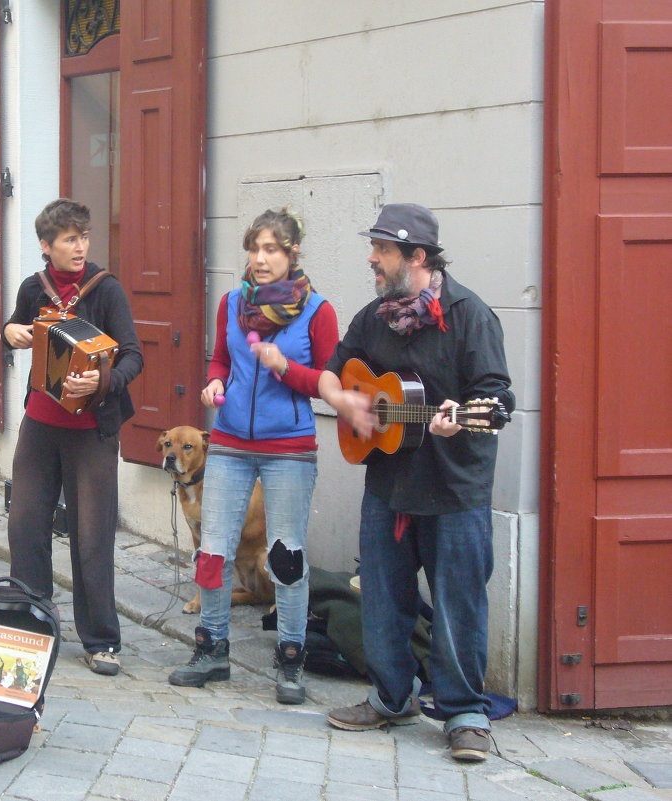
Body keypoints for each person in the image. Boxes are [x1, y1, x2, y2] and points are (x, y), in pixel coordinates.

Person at [318, 203, 514, 761]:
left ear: (417, 257)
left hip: (454, 491)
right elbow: (334, 369)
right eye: (375, 247)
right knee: (382, 597)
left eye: (382, 249)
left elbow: (497, 398)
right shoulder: (374, 316)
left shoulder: (470, 316)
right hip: (387, 486)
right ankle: (390, 696)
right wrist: (344, 401)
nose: (372, 259)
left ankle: (465, 713)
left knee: (458, 604)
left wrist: (459, 419)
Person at [168, 208, 339, 704]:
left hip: (289, 450)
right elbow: (220, 357)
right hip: (229, 447)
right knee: (212, 552)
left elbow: (331, 384)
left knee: (286, 558)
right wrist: (215, 381)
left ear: (292, 254)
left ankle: (290, 661)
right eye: (254, 249)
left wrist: (286, 366)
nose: (260, 259)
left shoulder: (318, 310)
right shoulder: (231, 303)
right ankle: (211, 651)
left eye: (271, 250)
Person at [2, 198, 142, 676]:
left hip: (91, 433)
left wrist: (102, 384)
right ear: (47, 246)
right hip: (41, 426)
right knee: (26, 527)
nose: (80, 247)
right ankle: (30, 624)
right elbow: (12, 329)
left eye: (83, 237)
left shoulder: (105, 290)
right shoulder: (34, 288)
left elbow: (132, 357)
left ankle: (101, 639)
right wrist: (12, 332)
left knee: (92, 537)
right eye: (69, 239)